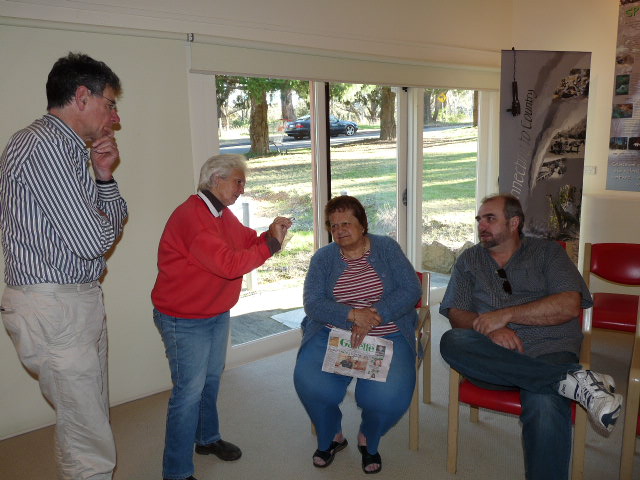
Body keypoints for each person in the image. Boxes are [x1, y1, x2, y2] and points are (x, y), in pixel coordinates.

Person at [0, 52, 127, 480]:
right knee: (85, 432)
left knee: (88, 412)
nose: (115, 116)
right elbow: (93, 239)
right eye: (110, 103)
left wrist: (104, 177)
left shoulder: (74, 152)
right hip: (55, 306)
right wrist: (101, 221)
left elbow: (115, 219)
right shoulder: (44, 146)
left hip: (74, 300)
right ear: (81, 96)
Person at [439, 194, 623, 480]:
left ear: (514, 223)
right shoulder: (470, 259)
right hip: (493, 356)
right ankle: (569, 380)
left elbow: (569, 304)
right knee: (451, 341)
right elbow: (456, 312)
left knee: (544, 402)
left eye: (490, 218)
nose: (481, 225)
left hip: (551, 348)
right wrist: (490, 327)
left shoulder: (548, 253)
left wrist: (507, 315)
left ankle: (558, 380)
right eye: (479, 219)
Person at [151, 153, 292, 480]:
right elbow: (229, 264)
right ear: (216, 179)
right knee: (188, 393)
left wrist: (270, 235)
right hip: (183, 319)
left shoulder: (219, 214)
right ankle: (175, 472)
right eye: (238, 181)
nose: (242, 188)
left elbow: (246, 242)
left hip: (213, 312)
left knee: (210, 381)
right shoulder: (193, 217)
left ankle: (206, 438)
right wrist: (269, 245)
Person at [293, 195, 421, 475]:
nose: (339, 230)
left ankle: (369, 437)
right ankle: (332, 437)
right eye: (333, 225)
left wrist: (374, 314)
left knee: (387, 398)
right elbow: (312, 303)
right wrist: (352, 315)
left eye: (346, 223)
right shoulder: (323, 258)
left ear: (363, 224)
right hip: (334, 333)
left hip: (387, 333)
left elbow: (411, 289)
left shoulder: (386, 248)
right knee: (311, 384)